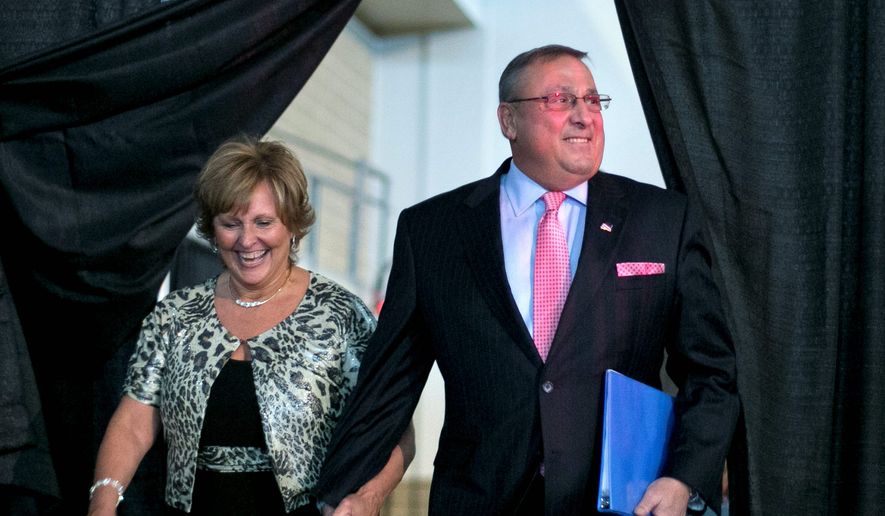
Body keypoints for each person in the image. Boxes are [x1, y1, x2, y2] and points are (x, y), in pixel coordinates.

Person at [314, 44, 738, 515]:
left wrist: (683, 478)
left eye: (593, 101)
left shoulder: (662, 221)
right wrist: (349, 492)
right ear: (508, 121)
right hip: (479, 501)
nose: (584, 116)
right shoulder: (432, 230)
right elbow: (388, 385)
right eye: (561, 100)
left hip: (622, 504)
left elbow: (711, 371)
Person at [88, 137, 414, 516]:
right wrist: (103, 502)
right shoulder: (174, 315)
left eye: (263, 222)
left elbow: (398, 431)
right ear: (212, 230)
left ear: (292, 224)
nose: (247, 240)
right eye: (231, 224)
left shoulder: (341, 315)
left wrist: (368, 498)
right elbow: (134, 421)